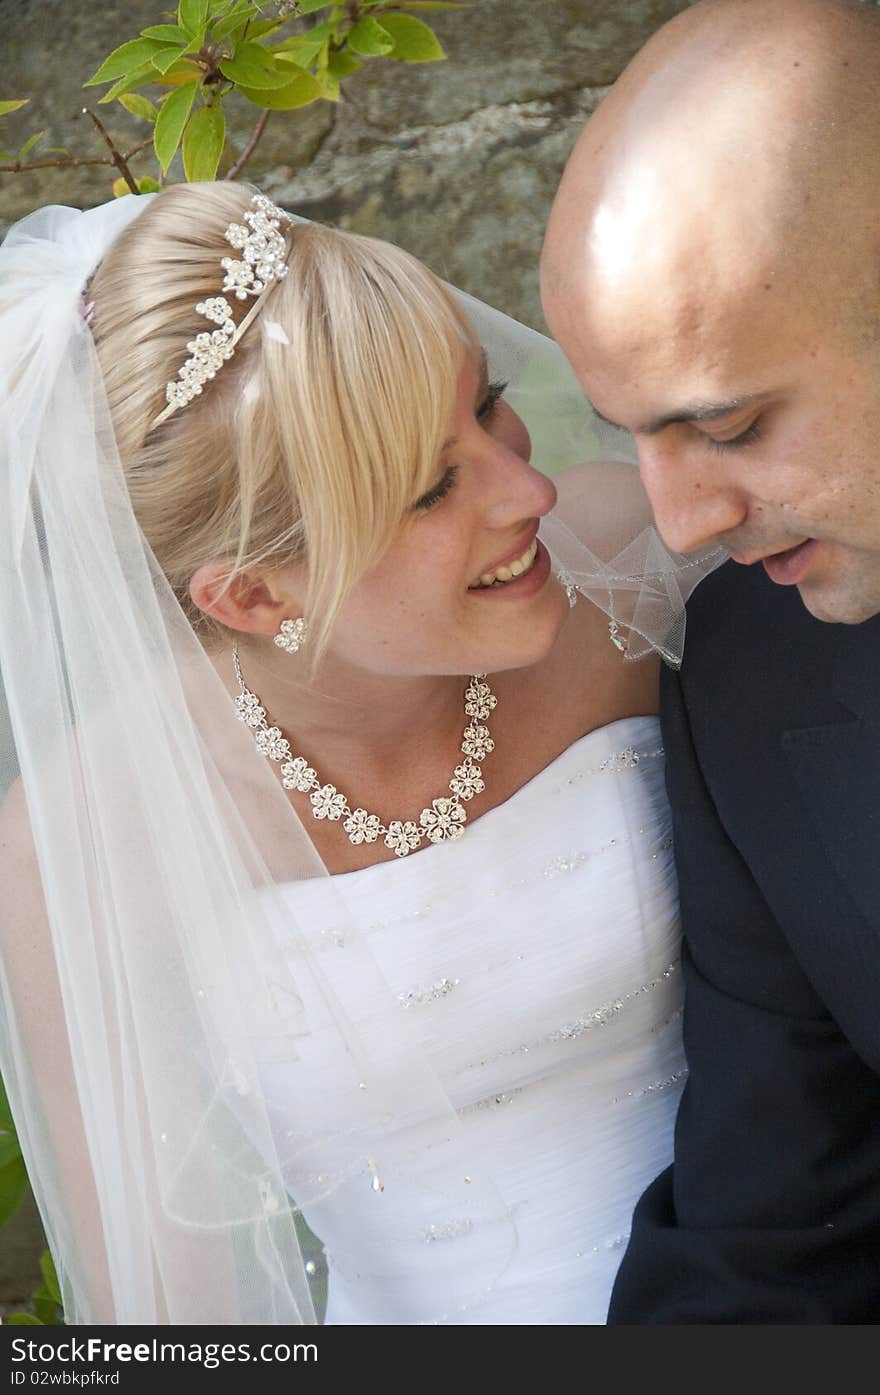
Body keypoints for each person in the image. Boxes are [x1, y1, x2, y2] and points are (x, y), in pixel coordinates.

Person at [0, 181, 718, 1325]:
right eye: (432, 488)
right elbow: (177, 1310)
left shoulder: (630, 563)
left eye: (487, 408)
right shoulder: (78, 841)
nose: (527, 489)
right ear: (249, 594)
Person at [540, 0, 880, 1323]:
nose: (681, 526)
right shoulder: (749, 679)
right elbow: (768, 1243)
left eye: (729, 425)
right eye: (636, 439)